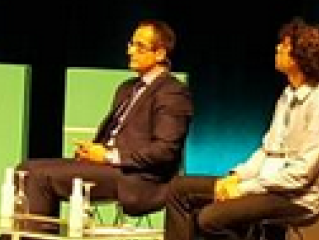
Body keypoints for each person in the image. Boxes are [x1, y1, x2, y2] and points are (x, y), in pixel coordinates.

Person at [164, 19, 319, 240]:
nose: (277, 48)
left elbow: (301, 175)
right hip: (264, 184)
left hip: (295, 198)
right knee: (178, 189)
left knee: (210, 218)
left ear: (302, 56)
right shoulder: (287, 95)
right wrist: (236, 177)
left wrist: (243, 189)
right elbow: (266, 151)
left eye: (285, 45)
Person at [19, 20, 194, 218]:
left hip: (138, 177)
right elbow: (113, 135)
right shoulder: (127, 88)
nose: (130, 51)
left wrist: (108, 156)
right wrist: (92, 151)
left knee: (38, 176)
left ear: (160, 54)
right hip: (109, 167)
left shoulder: (172, 92)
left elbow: (165, 150)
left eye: (140, 46)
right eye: (131, 44)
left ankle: (31, 233)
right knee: (26, 168)